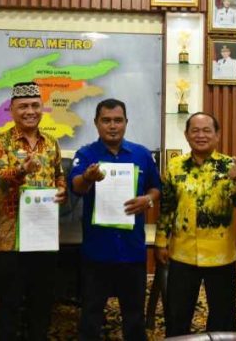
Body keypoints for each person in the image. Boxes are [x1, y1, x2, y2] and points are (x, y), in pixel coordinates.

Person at [69, 99, 161, 341]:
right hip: (97, 252)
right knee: (90, 317)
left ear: (126, 123)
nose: (112, 126)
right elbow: (76, 187)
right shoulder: (86, 154)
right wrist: (87, 178)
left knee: (134, 317)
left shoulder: (142, 154)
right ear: (96, 123)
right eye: (106, 120)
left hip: (132, 251)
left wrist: (148, 200)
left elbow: (156, 188)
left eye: (118, 120)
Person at [0, 81, 67, 341]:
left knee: (41, 305)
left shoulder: (51, 143)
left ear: (42, 108)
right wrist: (21, 170)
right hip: (12, 239)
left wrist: (62, 190)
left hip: (44, 236)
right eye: (23, 107)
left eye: (35, 105)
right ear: (11, 110)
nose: (30, 111)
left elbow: (59, 175)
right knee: (9, 305)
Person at [155, 112, 236, 335]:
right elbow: (167, 206)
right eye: (195, 131)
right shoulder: (175, 166)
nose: (201, 135)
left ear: (217, 135)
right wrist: (161, 241)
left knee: (223, 317)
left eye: (207, 130)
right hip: (183, 253)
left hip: (220, 255)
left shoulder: (229, 165)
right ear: (186, 135)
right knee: (177, 315)